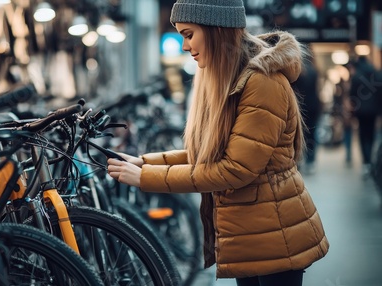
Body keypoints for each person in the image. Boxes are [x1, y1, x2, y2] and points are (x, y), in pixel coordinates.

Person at [107, 0, 329, 285]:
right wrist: (146, 162)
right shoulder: (232, 78)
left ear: (216, 29)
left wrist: (147, 177)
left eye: (189, 34)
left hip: (276, 233)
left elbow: (234, 169)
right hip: (251, 231)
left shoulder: (261, 83)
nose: (185, 46)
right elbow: (209, 152)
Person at [349, 56, 381, 177]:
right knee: (372, 134)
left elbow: (352, 95)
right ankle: (370, 159)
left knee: (362, 135)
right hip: (373, 111)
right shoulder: (375, 75)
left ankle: (366, 161)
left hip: (361, 111)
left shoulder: (357, 76)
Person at [291, 51, 322, 174]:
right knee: (312, 133)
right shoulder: (314, 71)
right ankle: (311, 160)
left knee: (298, 134)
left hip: (300, 107)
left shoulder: (298, 71)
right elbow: (318, 90)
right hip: (313, 107)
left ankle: (299, 159)